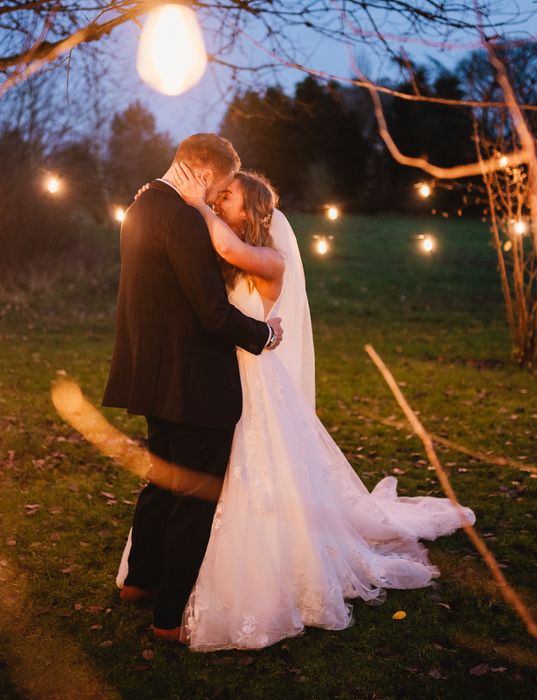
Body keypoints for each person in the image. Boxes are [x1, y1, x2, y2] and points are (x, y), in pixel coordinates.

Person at [118, 163, 476, 651]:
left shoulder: (267, 259)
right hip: (207, 379)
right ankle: (161, 578)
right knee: (182, 482)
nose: (218, 200)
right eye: (217, 195)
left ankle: (234, 580)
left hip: (248, 383)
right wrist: (163, 199)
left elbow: (225, 249)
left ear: (254, 211)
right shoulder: (217, 253)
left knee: (236, 481)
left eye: (228, 198)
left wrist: (186, 199)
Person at [104, 134, 284, 642]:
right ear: (205, 176)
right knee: (194, 499)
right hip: (195, 385)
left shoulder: (140, 206)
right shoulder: (182, 218)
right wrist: (264, 334)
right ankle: (167, 620)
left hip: (152, 376)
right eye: (222, 187)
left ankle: (139, 583)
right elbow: (211, 312)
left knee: (161, 484)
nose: (217, 197)